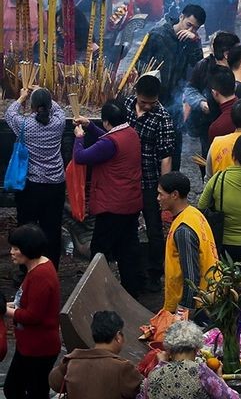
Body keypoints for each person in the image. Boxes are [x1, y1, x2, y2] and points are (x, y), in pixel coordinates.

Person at [71, 102, 145, 297]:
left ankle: (96, 289)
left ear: (106, 122)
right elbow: (106, 141)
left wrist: (79, 137)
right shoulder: (131, 133)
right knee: (127, 248)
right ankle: (132, 290)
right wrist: (90, 126)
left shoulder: (110, 143)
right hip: (131, 203)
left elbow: (81, 157)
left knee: (99, 250)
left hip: (112, 206)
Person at [5, 86, 66, 267]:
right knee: (52, 228)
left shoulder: (24, 125)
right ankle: (50, 267)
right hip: (55, 185)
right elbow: (58, 109)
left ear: (32, 107)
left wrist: (22, 97)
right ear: (49, 105)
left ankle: (28, 269)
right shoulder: (59, 123)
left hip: (31, 186)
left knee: (27, 228)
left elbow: (9, 113)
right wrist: (43, 93)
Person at [126, 75, 177, 291]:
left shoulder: (163, 117)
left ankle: (155, 272)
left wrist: (163, 188)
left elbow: (166, 156)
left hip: (149, 180)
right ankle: (131, 268)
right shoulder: (127, 105)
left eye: (152, 103)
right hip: (127, 178)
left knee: (154, 228)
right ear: (136, 95)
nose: (147, 106)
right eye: (143, 102)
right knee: (127, 224)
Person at [4, 225, 60, 399]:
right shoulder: (41, 266)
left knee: (26, 391)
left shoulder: (40, 276)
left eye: (16, 248)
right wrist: (10, 305)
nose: (11, 252)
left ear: (28, 249)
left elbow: (33, 316)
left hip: (39, 348)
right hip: (29, 345)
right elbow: (27, 301)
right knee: (15, 388)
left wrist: (5, 310)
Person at [49, 311, 143, 399]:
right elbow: (144, 391)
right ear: (118, 336)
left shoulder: (71, 362)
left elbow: (54, 383)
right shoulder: (123, 368)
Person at [139, 320, 238, 399]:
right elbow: (232, 397)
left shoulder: (154, 374)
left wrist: (161, 364)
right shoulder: (201, 372)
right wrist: (219, 377)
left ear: (168, 349)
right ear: (197, 349)